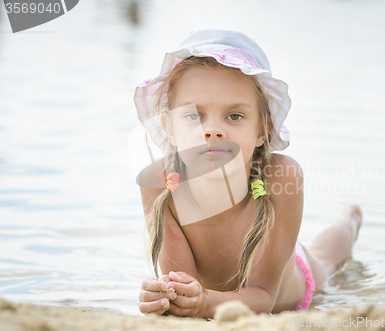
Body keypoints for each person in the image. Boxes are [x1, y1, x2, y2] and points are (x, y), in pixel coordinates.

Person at [133, 29, 362, 318]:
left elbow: (262, 298)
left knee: (328, 260)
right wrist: (168, 297)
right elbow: (182, 287)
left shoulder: (281, 176)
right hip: (225, 289)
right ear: (169, 127)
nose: (213, 130)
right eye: (194, 115)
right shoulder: (159, 183)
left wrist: (202, 302)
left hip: (289, 284)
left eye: (234, 116)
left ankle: (349, 220)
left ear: (262, 128)